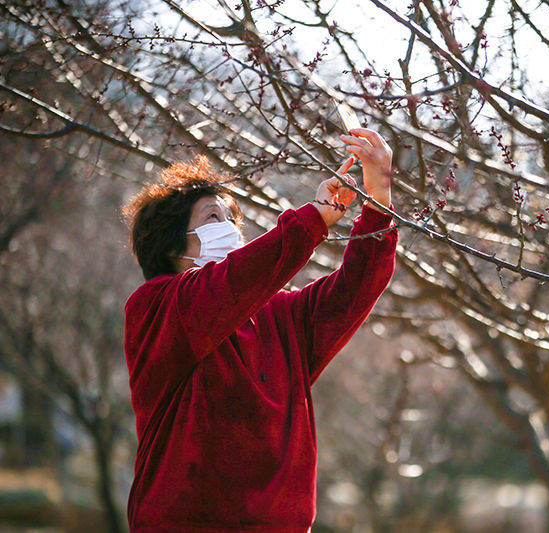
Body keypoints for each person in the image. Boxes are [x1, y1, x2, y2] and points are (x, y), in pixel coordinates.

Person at [122, 128, 397, 532]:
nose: (230, 228)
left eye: (232, 219)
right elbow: (235, 281)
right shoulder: (158, 306)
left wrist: (379, 194)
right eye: (213, 218)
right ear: (170, 246)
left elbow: (358, 286)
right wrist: (313, 219)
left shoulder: (282, 313)